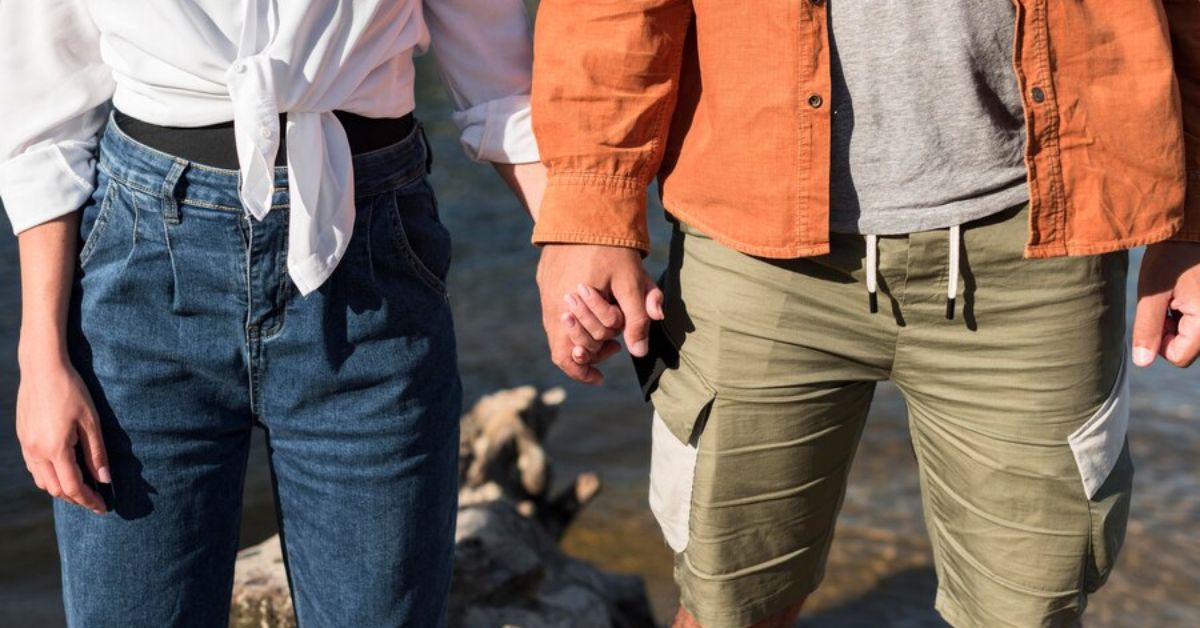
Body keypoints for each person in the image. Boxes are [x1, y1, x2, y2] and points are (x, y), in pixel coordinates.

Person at [531, 1, 1198, 627]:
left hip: (1038, 240)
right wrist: (590, 208)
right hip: (751, 236)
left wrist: (1192, 220)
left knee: (1030, 610)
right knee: (728, 602)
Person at [0, 1, 545, 626]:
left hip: (372, 265)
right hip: (141, 274)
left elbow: (502, 90)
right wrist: (41, 356)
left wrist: (575, 244)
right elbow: (45, 121)